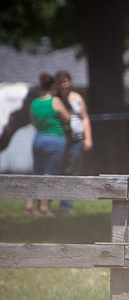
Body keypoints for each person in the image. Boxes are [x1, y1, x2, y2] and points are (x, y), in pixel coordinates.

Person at [25, 72, 71, 216]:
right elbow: (67, 118)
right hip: (55, 140)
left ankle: (29, 205)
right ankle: (44, 206)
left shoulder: (35, 103)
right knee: (49, 174)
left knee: (36, 173)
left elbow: (33, 121)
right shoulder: (55, 101)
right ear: (52, 86)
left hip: (38, 139)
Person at [55, 70, 93, 213]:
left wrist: (88, 138)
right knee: (56, 171)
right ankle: (47, 204)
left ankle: (66, 206)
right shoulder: (54, 99)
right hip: (60, 140)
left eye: (66, 81)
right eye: (61, 82)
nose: (64, 85)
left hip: (76, 141)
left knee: (71, 171)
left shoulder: (77, 98)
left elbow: (85, 118)